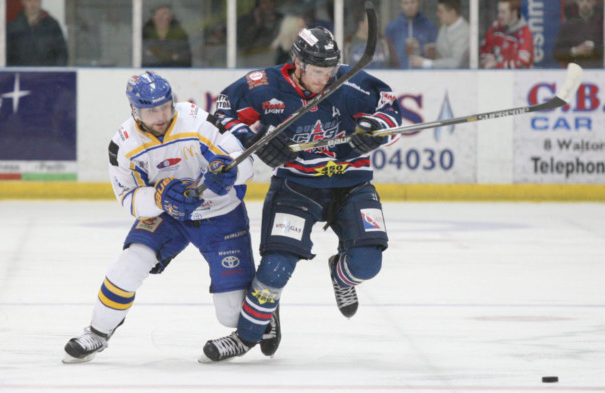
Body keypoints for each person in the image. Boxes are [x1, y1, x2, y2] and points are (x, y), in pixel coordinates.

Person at [200, 27, 402, 362]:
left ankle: (341, 274)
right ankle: (245, 334)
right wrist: (256, 140)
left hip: (352, 185)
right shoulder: (263, 85)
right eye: (318, 71)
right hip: (296, 186)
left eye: (330, 70)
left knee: (367, 264)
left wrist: (375, 131)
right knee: (276, 269)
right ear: (298, 63)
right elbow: (222, 110)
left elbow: (390, 110)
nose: (326, 78)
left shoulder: (351, 83)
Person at [62, 71, 273, 363]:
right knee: (130, 263)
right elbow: (129, 198)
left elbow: (246, 163)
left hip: (220, 213)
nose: (162, 115)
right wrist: (160, 197)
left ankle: (265, 309)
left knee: (231, 315)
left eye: (165, 106)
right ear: (134, 110)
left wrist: (230, 171)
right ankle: (97, 333)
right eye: (151, 110)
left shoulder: (197, 121)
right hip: (168, 216)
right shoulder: (123, 144)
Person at [409, 0, 470, 69]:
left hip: (460, 77)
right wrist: (435, 52)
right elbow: (445, 53)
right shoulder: (445, 25)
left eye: (441, 11)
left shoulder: (464, 32)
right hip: (441, 75)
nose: (437, 14)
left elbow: (455, 62)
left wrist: (425, 63)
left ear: (452, 13)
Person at [7, 0, 68, 66]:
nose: (33, 4)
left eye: (36, 1)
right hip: (22, 75)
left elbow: (62, 53)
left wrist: (55, 73)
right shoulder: (14, 27)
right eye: (29, 1)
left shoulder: (52, 25)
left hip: (47, 75)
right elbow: (7, 56)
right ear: (23, 2)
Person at [480, 0, 533, 69]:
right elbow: (484, 50)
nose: (499, 15)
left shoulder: (525, 33)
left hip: (516, 78)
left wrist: (497, 65)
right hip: (493, 76)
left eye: (503, 12)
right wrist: (488, 61)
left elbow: (523, 63)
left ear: (514, 13)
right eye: (499, 11)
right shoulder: (496, 27)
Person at [384, 0, 437, 69]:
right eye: (406, 3)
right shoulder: (392, 28)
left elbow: (436, 55)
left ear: (418, 3)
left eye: (412, 2)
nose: (409, 6)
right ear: (400, 5)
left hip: (424, 74)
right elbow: (388, 55)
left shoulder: (429, 27)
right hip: (398, 74)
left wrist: (420, 49)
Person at [553, 0, 603, 69]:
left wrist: (594, 49)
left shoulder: (601, 25)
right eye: (582, 1)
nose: (585, 4)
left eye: (588, 1)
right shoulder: (568, 26)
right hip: (573, 72)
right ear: (577, 2)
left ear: (594, 2)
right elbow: (556, 54)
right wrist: (575, 51)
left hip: (598, 72)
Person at [237, 0, 283, 67]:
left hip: (274, 61)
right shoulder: (247, 21)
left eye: (270, 2)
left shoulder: (281, 20)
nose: (268, 6)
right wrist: (257, 23)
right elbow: (242, 43)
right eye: (264, 3)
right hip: (250, 60)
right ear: (258, 6)